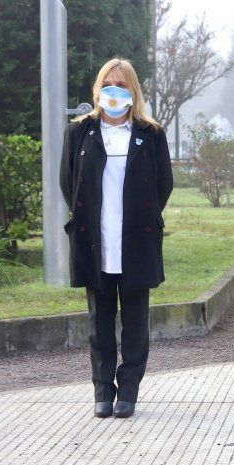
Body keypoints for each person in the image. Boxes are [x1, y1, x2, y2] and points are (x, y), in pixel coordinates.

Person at [60, 58, 173, 419]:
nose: (114, 90)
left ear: (133, 91)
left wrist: (144, 217)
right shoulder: (79, 132)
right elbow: (69, 182)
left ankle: (128, 390)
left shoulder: (151, 134)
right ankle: (102, 390)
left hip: (137, 241)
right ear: (97, 89)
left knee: (136, 321)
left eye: (121, 85)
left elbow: (163, 185)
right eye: (108, 83)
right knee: (100, 321)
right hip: (95, 241)